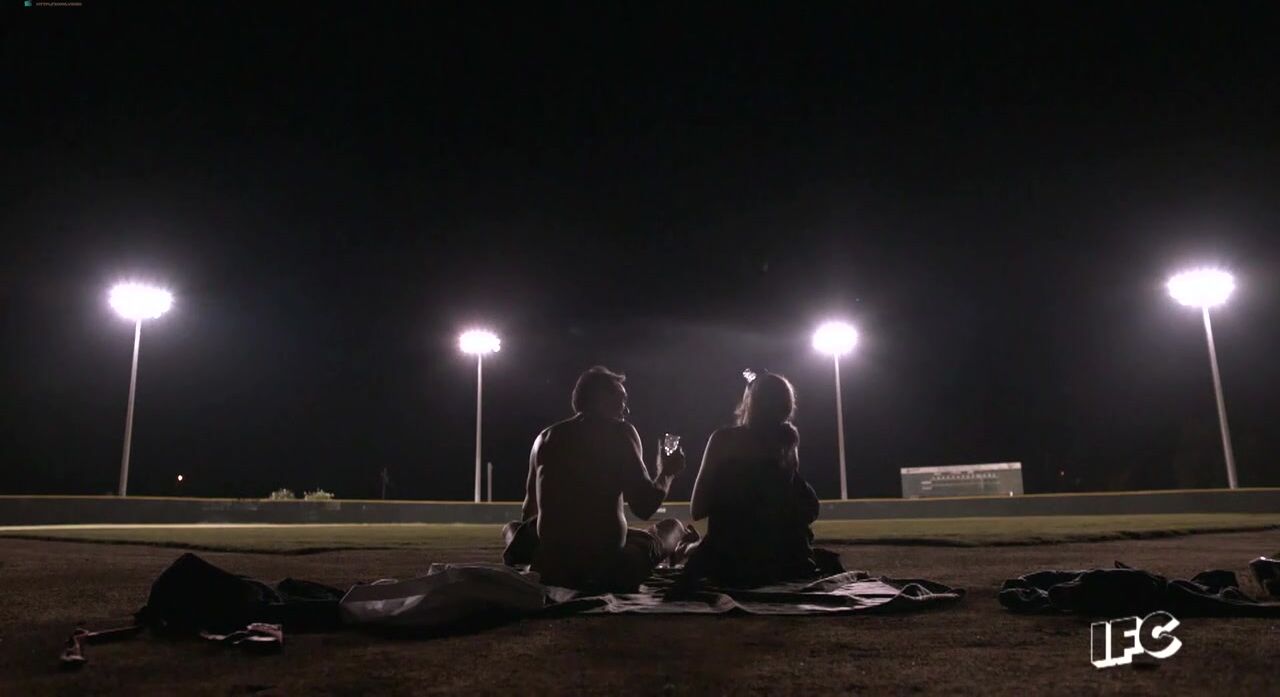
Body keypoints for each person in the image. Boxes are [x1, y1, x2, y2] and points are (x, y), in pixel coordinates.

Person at [501, 366, 692, 591]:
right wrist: (667, 472)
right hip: (607, 566)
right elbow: (644, 506)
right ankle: (683, 546)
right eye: (621, 399)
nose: (626, 409)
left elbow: (530, 509)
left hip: (553, 565)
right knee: (672, 527)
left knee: (514, 528)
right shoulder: (620, 432)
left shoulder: (543, 439)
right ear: (602, 398)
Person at [682, 371, 830, 586]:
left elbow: (697, 510)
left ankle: (688, 548)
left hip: (734, 562)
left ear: (750, 402)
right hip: (786, 560)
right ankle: (692, 547)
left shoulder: (724, 440)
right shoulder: (788, 442)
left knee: (699, 541)